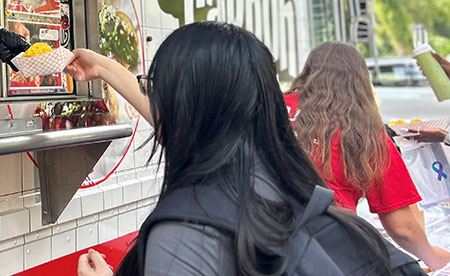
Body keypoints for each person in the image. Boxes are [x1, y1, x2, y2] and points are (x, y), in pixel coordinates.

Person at [65, 22, 395, 276]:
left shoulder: (187, 231)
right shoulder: (290, 192)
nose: (156, 102)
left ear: (191, 111)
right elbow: (174, 125)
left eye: (160, 90)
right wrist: (103, 69)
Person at [286, 42, 450, 271]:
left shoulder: (274, 109)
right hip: (329, 242)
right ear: (359, 82)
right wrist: (433, 258)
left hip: (262, 233)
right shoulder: (363, 131)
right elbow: (402, 228)